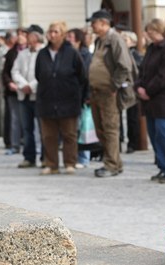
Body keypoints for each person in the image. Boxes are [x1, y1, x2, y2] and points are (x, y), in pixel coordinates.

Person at [87, 9, 136, 178]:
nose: (91, 25)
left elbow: (124, 66)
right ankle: (115, 162)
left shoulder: (114, 39)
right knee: (101, 129)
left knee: (110, 129)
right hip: (97, 92)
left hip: (108, 93)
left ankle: (111, 165)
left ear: (103, 23)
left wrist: (114, 87)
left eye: (94, 22)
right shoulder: (100, 40)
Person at [35, 21, 85, 175]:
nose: (52, 34)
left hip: (68, 100)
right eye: (50, 31)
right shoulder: (42, 54)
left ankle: (70, 162)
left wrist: (77, 95)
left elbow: (81, 75)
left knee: (69, 134)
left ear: (63, 35)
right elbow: (38, 75)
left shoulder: (72, 53)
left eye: (56, 32)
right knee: (49, 136)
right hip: (47, 100)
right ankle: (51, 164)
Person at [135, 18, 165, 184]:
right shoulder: (152, 48)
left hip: (164, 99)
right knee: (154, 135)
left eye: (152, 32)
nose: (149, 35)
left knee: (163, 133)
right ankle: (163, 167)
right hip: (151, 100)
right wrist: (139, 86)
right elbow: (143, 70)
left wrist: (148, 90)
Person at [12, 24, 44, 169]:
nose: (26, 37)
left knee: (43, 128)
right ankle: (29, 157)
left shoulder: (43, 53)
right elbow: (15, 71)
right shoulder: (22, 53)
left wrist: (31, 86)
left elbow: (44, 73)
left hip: (38, 96)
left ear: (36, 37)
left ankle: (45, 157)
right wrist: (23, 85)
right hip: (23, 96)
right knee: (27, 128)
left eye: (29, 35)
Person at [67, 28, 93, 169]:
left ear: (78, 39)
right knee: (72, 129)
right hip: (69, 95)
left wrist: (88, 95)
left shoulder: (85, 55)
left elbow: (88, 76)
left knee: (82, 128)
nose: (68, 39)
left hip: (81, 95)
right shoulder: (67, 54)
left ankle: (83, 158)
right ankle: (73, 156)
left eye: (70, 36)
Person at [2, 29, 26, 156]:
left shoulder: (32, 52)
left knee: (28, 120)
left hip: (28, 90)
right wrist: (10, 83)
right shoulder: (11, 53)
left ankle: (29, 144)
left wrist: (26, 85)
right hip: (13, 91)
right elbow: (6, 71)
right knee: (15, 119)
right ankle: (14, 144)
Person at [121, 31, 143, 154]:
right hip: (120, 87)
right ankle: (119, 140)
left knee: (133, 117)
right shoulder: (118, 53)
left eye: (126, 39)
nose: (123, 41)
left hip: (131, 88)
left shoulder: (136, 55)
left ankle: (132, 143)